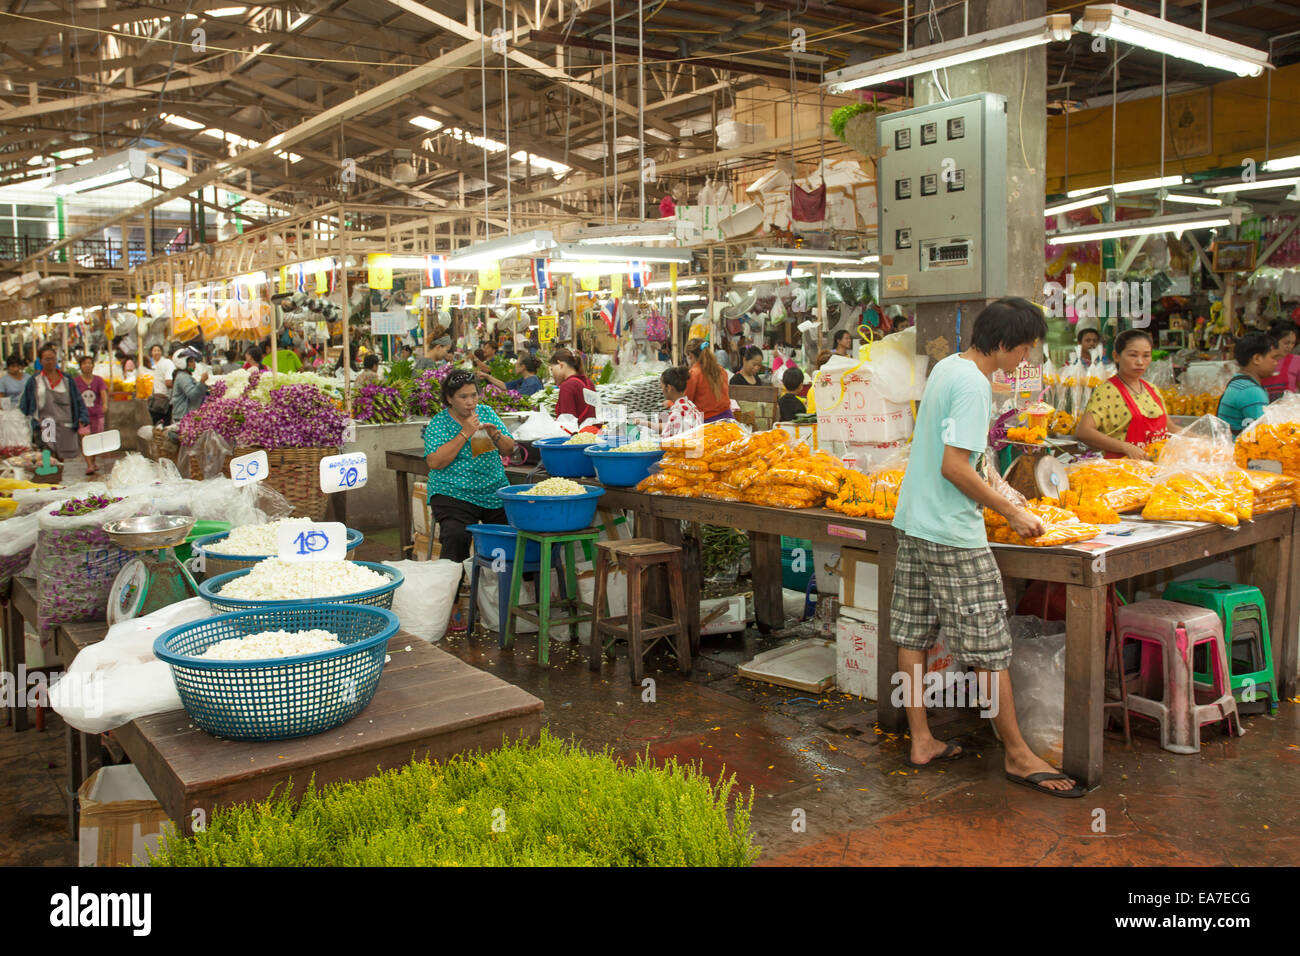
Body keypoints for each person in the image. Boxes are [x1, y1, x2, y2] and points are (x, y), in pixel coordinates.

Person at [890, 297, 1083, 796]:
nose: (1025, 359)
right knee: (990, 649)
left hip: (913, 520)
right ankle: (1019, 756)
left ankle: (922, 740)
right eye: (1023, 349)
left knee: (913, 634)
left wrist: (991, 477)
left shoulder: (949, 367)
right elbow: (953, 467)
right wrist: (1013, 511)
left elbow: (951, 453)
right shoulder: (976, 386)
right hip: (951, 531)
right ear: (1002, 344)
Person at [423, 369, 517, 629]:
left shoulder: (486, 414)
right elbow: (435, 461)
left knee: (513, 532)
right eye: (463, 397)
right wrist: (465, 432)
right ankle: (452, 603)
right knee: (455, 535)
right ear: (450, 399)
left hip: (491, 489)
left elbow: (509, 448)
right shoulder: (439, 424)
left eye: (474, 395)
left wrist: (495, 435)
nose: (470, 402)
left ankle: (508, 596)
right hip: (453, 493)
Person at [1073, 329, 1169, 459]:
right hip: (1122, 471)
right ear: (1116, 356)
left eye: (1146, 355)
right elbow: (1083, 432)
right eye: (1133, 355)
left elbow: (1168, 426)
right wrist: (1126, 447)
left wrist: (1198, 439)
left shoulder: (1152, 389)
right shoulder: (1107, 391)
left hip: (1153, 469)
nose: (1140, 362)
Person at [20, 342, 89, 466]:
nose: (50, 362)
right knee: (48, 456)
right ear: (40, 361)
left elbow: (78, 400)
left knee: (61, 458)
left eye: (52, 359)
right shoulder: (35, 381)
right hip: (46, 425)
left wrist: (82, 417)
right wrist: (31, 422)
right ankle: (50, 480)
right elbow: (25, 404)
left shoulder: (67, 379)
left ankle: (57, 481)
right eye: (46, 359)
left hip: (66, 424)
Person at [1217, 331, 1281, 437]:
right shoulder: (1251, 391)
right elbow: (1264, 434)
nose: (1276, 363)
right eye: (1273, 358)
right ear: (1257, 359)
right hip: (1239, 450)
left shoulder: (1238, 381)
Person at [73, 355, 108, 476]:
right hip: (82, 416)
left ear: (93, 366)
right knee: (85, 439)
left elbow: (103, 392)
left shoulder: (99, 380)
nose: (87, 366)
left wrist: (104, 404)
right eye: (84, 363)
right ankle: (89, 465)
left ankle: (92, 462)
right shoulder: (76, 381)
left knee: (96, 440)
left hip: (97, 415)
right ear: (80, 366)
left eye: (89, 363)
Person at [684, 338, 732, 423]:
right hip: (729, 419)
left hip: (708, 423)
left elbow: (687, 402)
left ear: (690, 356)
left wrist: (670, 403)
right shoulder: (721, 370)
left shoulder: (693, 373)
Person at [549, 348, 596, 423]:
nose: (552, 374)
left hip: (577, 434)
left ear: (560, 365)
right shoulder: (588, 382)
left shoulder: (567, 386)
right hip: (591, 432)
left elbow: (567, 423)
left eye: (552, 369)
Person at [657, 366, 702, 437]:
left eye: (661, 386)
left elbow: (667, 440)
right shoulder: (690, 405)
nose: (661, 390)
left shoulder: (677, 411)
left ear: (668, 388)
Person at [1262, 320, 1299, 401]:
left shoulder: (1297, 361)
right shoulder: (1261, 359)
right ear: (1273, 340)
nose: (1290, 346)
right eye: (1286, 343)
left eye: (1293, 343)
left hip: (1287, 408)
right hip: (1264, 406)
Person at [170, 348, 209, 422]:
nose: (194, 364)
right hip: (183, 416)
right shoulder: (183, 377)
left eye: (194, 361)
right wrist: (202, 381)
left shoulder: (185, 375)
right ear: (182, 363)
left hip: (185, 415)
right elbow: (193, 395)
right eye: (191, 361)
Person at [146, 343, 174, 427]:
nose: (157, 352)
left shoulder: (161, 363)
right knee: (165, 428)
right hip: (163, 401)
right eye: (155, 350)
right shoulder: (168, 363)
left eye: (158, 350)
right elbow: (168, 383)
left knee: (157, 428)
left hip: (155, 400)